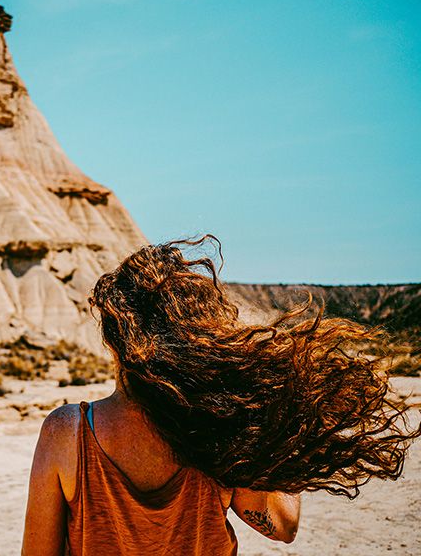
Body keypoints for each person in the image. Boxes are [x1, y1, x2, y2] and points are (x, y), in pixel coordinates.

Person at [21, 235, 419, 555]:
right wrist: (277, 424)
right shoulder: (221, 428)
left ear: (113, 340)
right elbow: (283, 527)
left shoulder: (67, 434)